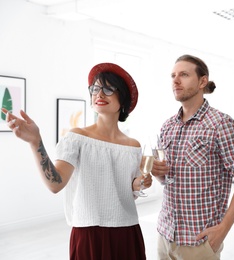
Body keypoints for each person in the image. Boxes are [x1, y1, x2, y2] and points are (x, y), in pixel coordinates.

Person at [1, 62, 151, 259]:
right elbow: (55, 184)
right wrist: (35, 142)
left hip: (127, 231)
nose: (99, 94)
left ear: (122, 98)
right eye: (95, 89)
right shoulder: (77, 138)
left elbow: (129, 189)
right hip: (88, 233)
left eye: (107, 88)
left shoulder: (133, 146)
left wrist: (139, 183)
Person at [151, 54, 234, 259]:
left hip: (200, 240)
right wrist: (158, 173)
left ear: (202, 81)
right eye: (173, 75)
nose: (175, 80)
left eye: (183, 74)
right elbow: (167, 179)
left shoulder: (221, 124)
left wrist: (223, 228)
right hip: (165, 235)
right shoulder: (167, 126)